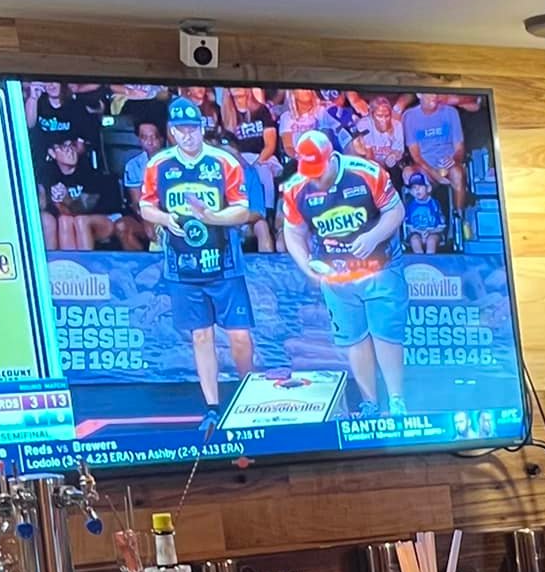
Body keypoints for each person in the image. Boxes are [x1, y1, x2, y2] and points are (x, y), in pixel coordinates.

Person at [137, 96, 259, 431]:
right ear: (172, 131)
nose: (188, 135)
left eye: (193, 128)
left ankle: (249, 392)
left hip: (224, 262)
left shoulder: (224, 162)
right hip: (182, 265)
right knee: (201, 336)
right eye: (181, 129)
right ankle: (212, 407)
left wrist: (211, 216)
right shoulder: (158, 165)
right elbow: (145, 206)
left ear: (202, 128)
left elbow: (243, 210)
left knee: (239, 336)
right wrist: (165, 218)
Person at [280, 128, 408, 417]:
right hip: (337, 275)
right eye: (309, 171)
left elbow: (396, 211)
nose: (314, 177)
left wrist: (373, 236)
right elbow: (293, 232)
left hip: (380, 266)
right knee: (354, 338)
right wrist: (306, 265)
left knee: (386, 334)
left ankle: (397, 401)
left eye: (318, 170)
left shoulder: (366, 173)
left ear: (331, 157)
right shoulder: (296, 188)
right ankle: (370, 404)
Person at [43, 132, 125, 252]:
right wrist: (57, 201)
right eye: (63, 147)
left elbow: (84, 209)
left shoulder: (90, 174)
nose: (69, 150)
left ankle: (85, 261)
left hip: (104, 218)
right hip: (72, 219)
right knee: (64, 220)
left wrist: (66, 199)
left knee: (80, 220)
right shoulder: (50, 177)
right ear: (52, 153)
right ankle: (69, 263)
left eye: (71, 145)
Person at [222, 86, 280, 252]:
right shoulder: (215, 174)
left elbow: (270, 145)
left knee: (263, 172)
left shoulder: (261, 111)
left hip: (258, 158)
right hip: (224, 221)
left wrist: (253, 164)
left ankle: (270, 216)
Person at [402, 91, 470, 222]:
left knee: (457, 173)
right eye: (429, 93)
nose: (434, 96)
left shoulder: (451, 113)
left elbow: (459, 148)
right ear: (419, 94)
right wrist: (436, 175)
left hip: (448, 165)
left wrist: (454, 159)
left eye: (435, 93)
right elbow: (416, 156)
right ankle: (416, 221)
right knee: (409, 173)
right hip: (425, 166)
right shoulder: (410, 116)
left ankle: (459, 217)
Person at [401, 167, 446, 253]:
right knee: (414, 240)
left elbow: (441, 226)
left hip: (433, 232)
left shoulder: (434, 204)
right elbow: (408, 226)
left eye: (420, 186)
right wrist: (420, 232)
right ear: (411, 192)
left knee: (431, 241)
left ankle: (430, 259)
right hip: (416, 232)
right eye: (414, 188)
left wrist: (430, 231)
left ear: (428, 188)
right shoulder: (410, 206)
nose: (417, 190)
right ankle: (419, 258)